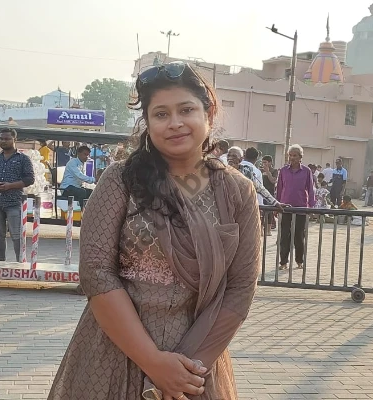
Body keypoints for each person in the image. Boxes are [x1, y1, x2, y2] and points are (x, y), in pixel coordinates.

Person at [48, 61, 261, 400]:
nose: (175, 123)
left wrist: (186, 371)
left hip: (198, 361)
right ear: (147, 122)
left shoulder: (236, 191)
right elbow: (97, 273)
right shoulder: (120, 181)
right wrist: (153, 362)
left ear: (208, 113)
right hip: (114, 352)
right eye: (161, 114)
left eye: (186, 110)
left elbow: (240, 288)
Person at [0, 128, 35, 262]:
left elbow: (29, 179)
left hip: (14, 203)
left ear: (14, 140)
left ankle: (20, 263)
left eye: (7, 139)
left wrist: (10, 186)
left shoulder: (23, 159)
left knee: (16, 235)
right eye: (1, 138)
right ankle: (0, 263)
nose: (3, 141)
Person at [276, 144, 315, 270]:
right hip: (285, 207)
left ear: (300, 157)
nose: (292, 158)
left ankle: (299, 261)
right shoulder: (283, 171)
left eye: (295, 155)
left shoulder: (306, 171)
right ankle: (283, 262)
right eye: (290, 155)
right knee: (284, 236)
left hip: (301, 208)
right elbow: (279, 189)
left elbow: (310, 189)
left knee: (299, 236)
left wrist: (311, 206)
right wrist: (276, 204)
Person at [261, 155, 278, 236]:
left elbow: (273, 181)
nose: (263, 164)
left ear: (270, 163)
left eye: (265, 162)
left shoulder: (274, 171)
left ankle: (268, 230)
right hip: (261, 193)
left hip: (270, 194)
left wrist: (267, 172)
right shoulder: (260, 170)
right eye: (263, 162)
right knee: (261, 212)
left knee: (270, 212)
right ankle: (261, 229)